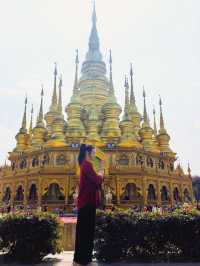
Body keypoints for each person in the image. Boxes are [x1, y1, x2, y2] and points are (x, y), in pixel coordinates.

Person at [73, 144, 104, 266]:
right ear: (88, 152)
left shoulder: (85, 165)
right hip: (87, 203)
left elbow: (95, 182)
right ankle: (83, 259)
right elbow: (97, 180)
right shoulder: (87, 165)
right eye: (94, 152)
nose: (95, 154)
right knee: (86, 232)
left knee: (84, 232)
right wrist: (101, 171)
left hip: (86, 203)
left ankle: (81, 259)